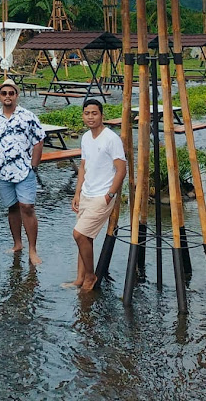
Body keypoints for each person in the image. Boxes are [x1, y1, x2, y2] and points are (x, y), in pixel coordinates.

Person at [0, 79, 45, 265]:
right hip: (2, 172)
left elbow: (39, 140)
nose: (7, 96)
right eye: (4, 93)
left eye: (11, 93)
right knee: (12, 207)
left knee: (27, 207)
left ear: (16, 95)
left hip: (25, 170)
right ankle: (18, 244)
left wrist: (34, 165)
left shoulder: (28, 116)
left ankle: (33, 249)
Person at [70, 98, 127, 291]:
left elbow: (121, 169)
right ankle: (79, 278)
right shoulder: (86, 137)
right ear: (82, 115)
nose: (90, 117)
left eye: (94, 113)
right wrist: (77, 192)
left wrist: (110, 194)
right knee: (85, 237)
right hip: (87, 193)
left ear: (102, 115)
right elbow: (83, 166)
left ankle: (90, 276)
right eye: (87, 113)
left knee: (79, 234)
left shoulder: (111, 138)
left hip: (102, 195)